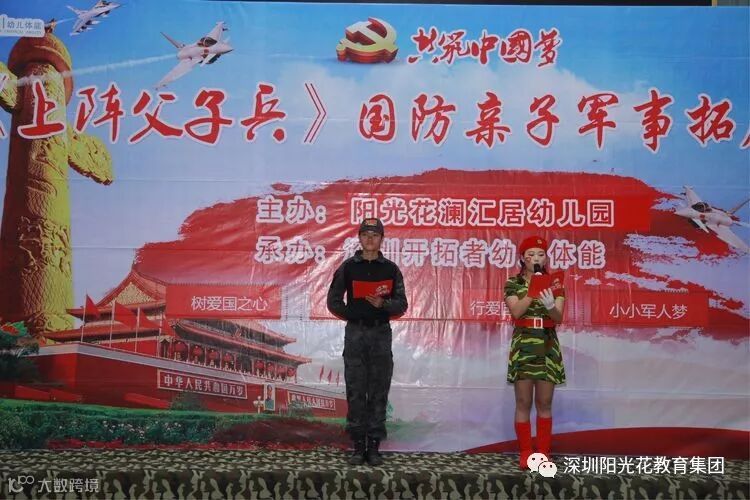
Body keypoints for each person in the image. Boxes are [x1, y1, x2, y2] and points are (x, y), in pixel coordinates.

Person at [327, 218, 408, 466]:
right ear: (359, 238)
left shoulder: (391, 269)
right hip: (356, 334)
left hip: (380, 335)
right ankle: (357, 446)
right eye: (365, 235)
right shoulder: (348, 267)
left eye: (375, 235)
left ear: (382, 239)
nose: (370, 239)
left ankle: (373, 447)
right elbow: (333, 301)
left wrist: (384, 304)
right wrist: (353, 313)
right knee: (355, 391)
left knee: (378, 391)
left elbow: (402, 304)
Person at [504, 236, 566, 469]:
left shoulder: (556, 283)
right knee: (523, 401)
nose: (536, 259)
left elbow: (558, 317)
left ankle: (543, 453)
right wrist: (533, 291)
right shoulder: (513, 283)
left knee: (545, 402)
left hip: (547, 344)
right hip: (524, 344)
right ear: (523, 258)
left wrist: (550, 305)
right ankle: (526, 453)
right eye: (530, 255)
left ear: (546, 258)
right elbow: (516, 312)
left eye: (540, 254)